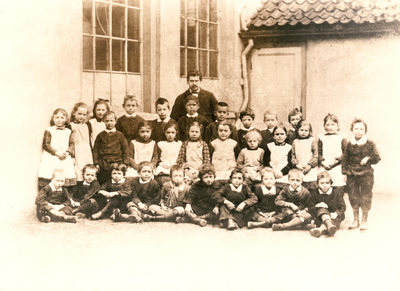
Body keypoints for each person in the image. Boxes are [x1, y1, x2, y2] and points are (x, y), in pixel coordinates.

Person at [342, 118, 381, 231]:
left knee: (365, 196)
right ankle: (356, 220)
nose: (358, 131)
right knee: (353, 196)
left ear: (365, 131)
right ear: (352, 130)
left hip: (366, 174)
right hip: (352, 174)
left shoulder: (369, 143)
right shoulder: (349, 144)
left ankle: (364, 220)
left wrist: (368, 158)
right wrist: (344, 173)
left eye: (361, 129)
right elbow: (345, 160)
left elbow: (377, 158)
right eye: (356, 129)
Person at [38, 108, 76, 189]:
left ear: (66, 119)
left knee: (65, 174)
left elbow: (72, 144)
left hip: (64, 156)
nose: (59, 120)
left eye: (62, 118)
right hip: (52, 156)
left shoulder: (68, 131)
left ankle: (63, 195)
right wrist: (56, 152)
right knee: (49, 173)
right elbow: (46, 144)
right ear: (53, 118)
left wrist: (67, 153)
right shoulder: (49, 130)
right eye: (57, 117)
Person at [92, 111, 129, 184]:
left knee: (116, 180)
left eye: (111, 120)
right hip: (103, 163)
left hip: (117, 161)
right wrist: (96, 163)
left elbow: (125, 149)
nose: (109, 123)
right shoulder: (100, 135)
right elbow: (96, 149)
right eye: (107, 121)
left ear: (115, 121)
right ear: (103, 121)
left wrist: (125, 163)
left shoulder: (120, 135)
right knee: (103, 180)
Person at [308, 171, 346, 237]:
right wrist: (317, 206)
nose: (325, 185)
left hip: (334, 216)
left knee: (333, 223)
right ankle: (327, 227)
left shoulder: (336, 192)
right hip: (320, 216)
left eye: (327, 183)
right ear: (318, 184)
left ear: (331, 183)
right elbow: (310, 208)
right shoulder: (314, 193)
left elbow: (342, 207)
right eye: (322, 183)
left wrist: (336, 213)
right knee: (321, 209)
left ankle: (320, 229)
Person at [318, 113, 347, 191]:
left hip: (337, 166)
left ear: (338, 126)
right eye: (327, 125)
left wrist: (338, 160)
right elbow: (318, 152)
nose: (330, 127)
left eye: (332, 124)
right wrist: (322, 162)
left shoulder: (342, 138)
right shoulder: (321, 138)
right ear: (324, 126)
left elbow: (346, 153)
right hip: (325, 166)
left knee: (337, 187)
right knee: (324, 186)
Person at [291, 120, 318, 189]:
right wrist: (297, 165)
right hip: (299, 168)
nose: (303, 132)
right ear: (297, 130)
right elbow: (293, 155)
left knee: (312, 187)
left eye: (306, 130)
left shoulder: (312, 140)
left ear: (309, 131)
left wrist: (309, 166)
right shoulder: (295, 141)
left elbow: (316, 155)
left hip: (311, 168)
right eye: (301, 130)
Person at [70, 102, 93, 181]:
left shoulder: (86, 125)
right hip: (77, 150)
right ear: (74, 113)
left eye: (84, 114)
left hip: (86, 150)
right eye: (79, 114)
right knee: (78, 170)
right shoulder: (71, 125)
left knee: (88, 170)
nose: (82, 116)